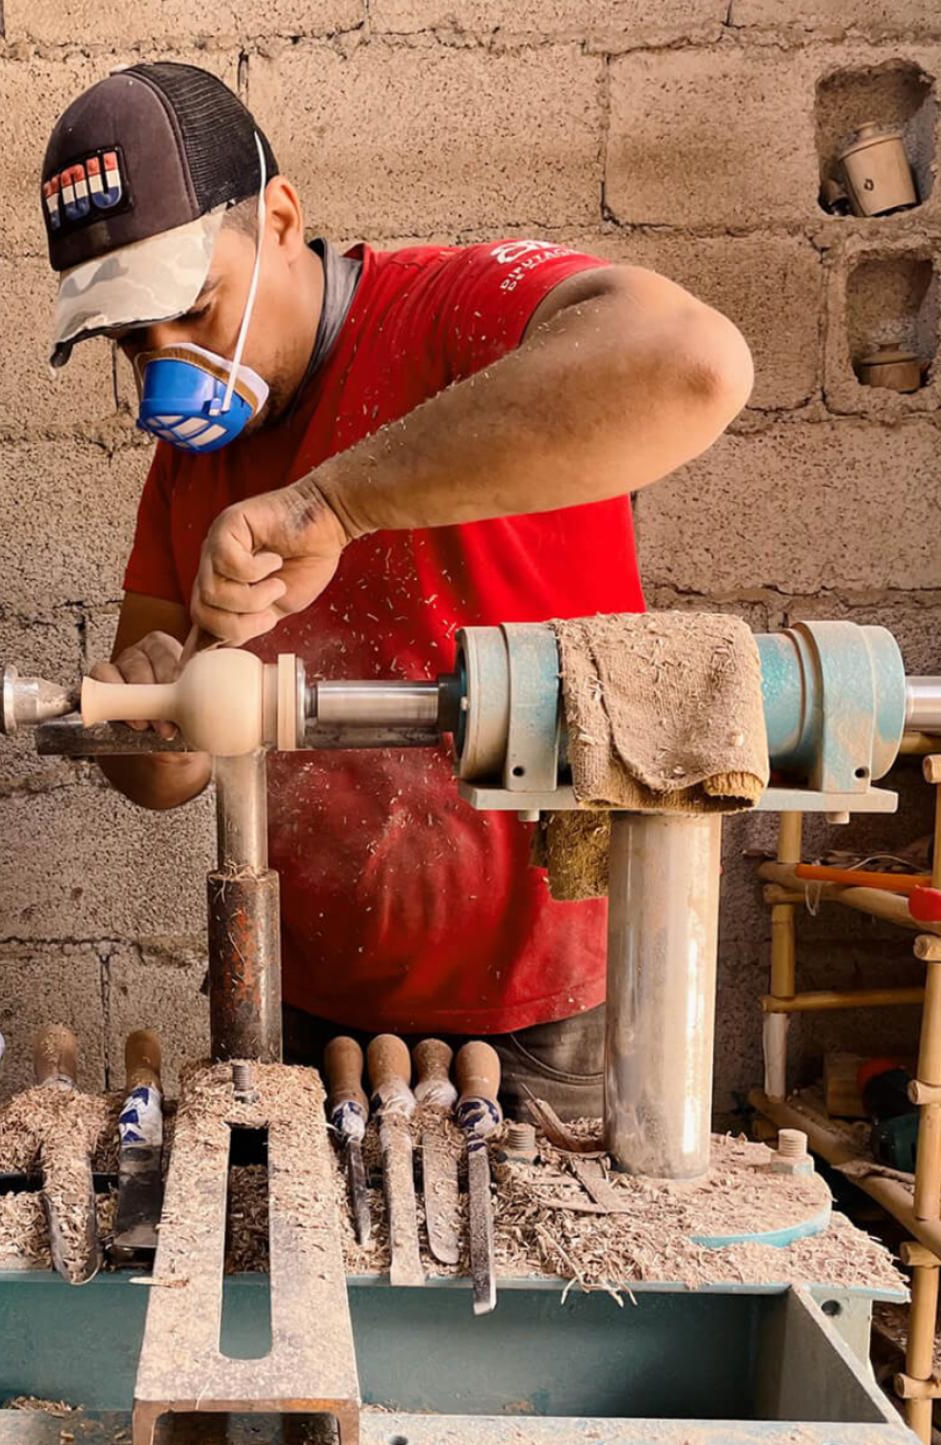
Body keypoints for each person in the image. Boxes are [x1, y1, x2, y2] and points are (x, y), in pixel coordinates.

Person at [40, 63, 752, 1115]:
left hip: (542, 1012)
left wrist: (330, 504)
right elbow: (161, 775)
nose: (168, 372)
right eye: (133, 342)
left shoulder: (452, 313)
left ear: (279, 218)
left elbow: (692, 365)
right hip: (305, 1000)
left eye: (193, 311)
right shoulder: (190, 463)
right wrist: (163, 707)